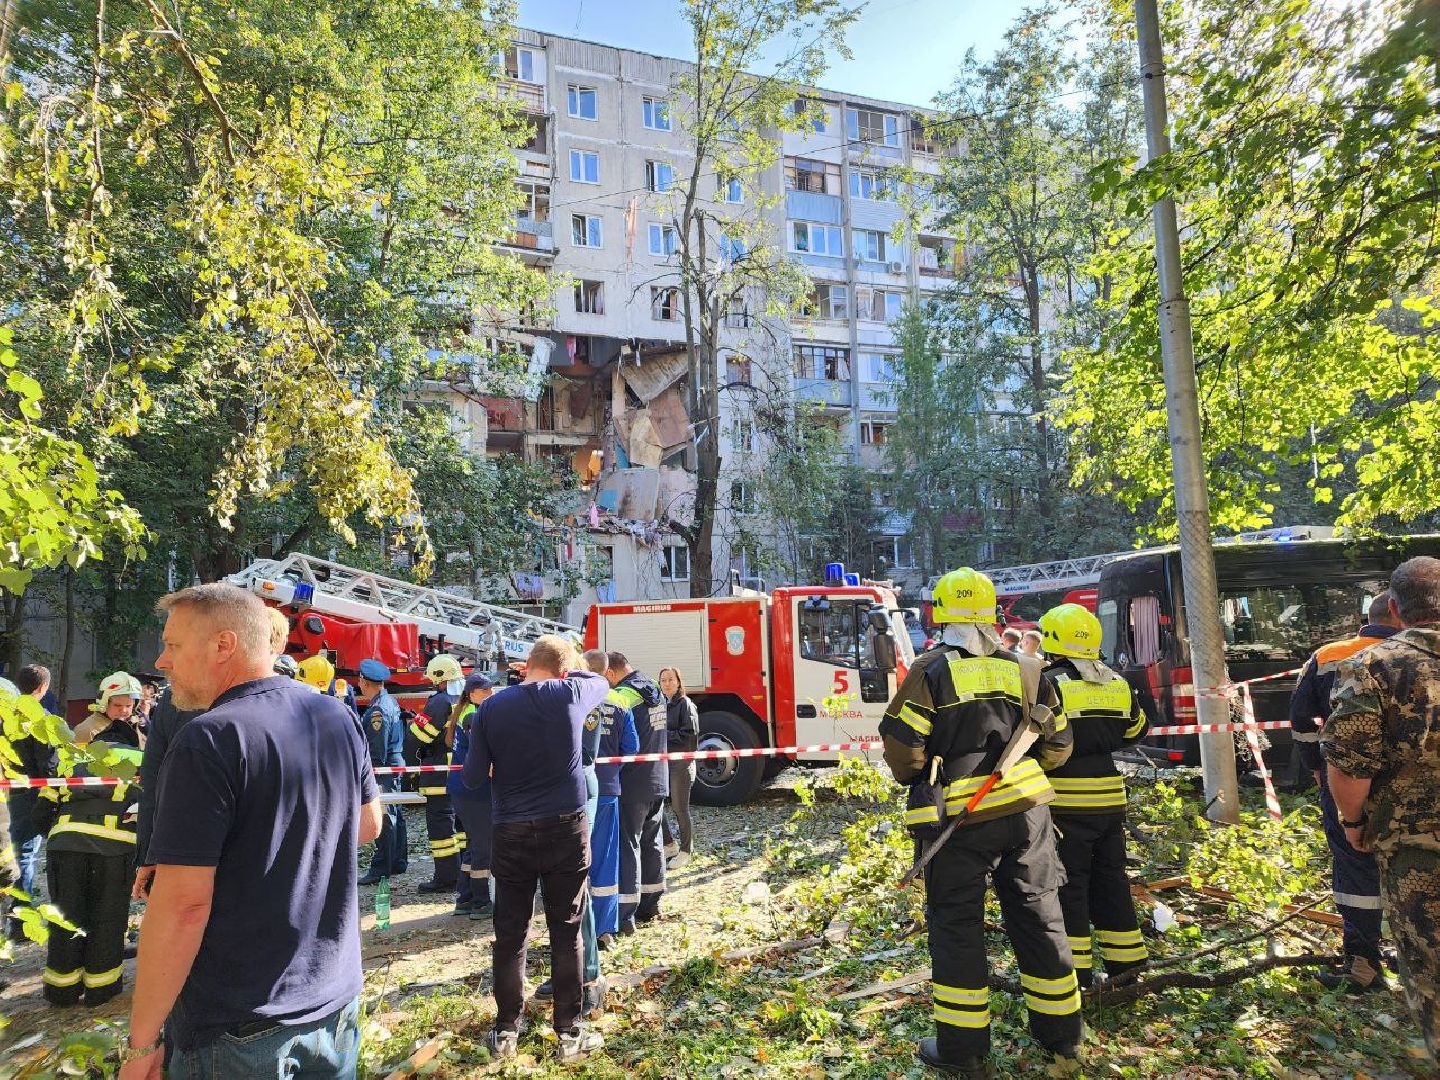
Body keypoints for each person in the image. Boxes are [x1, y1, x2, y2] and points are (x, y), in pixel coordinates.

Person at [118, 582, 382, 1080]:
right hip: (334, 1002)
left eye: (173, 645)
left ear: (224, 646)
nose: (161, 662)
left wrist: (141, 1046)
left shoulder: (209, 739)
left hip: (240, 1026)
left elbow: (182, 907)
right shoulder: (338, 716)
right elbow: (368, 824)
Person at [880, 568, 1080, 1079]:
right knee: (1040, 916)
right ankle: (1061, 1035)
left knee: (957, 928)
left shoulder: (931, 671)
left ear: (941, 614)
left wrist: (928, 770)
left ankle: (963, 1052)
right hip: (1029, 813)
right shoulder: (1028, 668)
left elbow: (904, 749)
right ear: (993, 615)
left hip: (959, 823)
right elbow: (1058, 743)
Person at [464, 635, 610, 1063]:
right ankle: (568, 1032)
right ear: (564, 670)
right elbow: (596, 676)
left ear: (527, 665)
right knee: (566, 930)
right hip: (565, 825)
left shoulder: (491, 706)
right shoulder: (571, 691)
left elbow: (473, 777)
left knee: (510, 933)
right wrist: (565, 670)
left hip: (511, 830)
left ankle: (506, 1028)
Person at [1324, 556, 1440, 1064]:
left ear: (1395, 609)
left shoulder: (1373, 666)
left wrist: (1354, 824)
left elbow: (1349, 767)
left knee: (1432, 969)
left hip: (1420, 850)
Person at [1289, 590, 1400, 993]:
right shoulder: (1424, 655)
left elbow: (1301, 722)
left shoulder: (1329, 656)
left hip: (1348, 782)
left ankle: (1363, 964)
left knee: (1356, 868)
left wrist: (1318, 770)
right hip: (1417, 788)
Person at [1038, 604, 1151, 988]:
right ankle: (1129, 968)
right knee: (1112, 883)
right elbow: (1136, 730)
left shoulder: (1049, 683)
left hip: (1066, 803)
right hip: (1110, 802)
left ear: (1053, 642)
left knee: (1070, 887)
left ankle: (1077, 975)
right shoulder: (1117, 683)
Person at [37, 733, 142, 1006]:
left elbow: (40, 813)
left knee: (65, 917)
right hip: (115, 849)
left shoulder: (68, 759)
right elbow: (147, 809)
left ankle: (61, 991)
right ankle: (101, 990)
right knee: (107, 919)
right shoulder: (140, 760)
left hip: (65, 846)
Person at [609, 653, 666, 932]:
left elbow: (618, 739)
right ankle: (651, 903)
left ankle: (625, 915)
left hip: (632, 782)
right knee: (651, 841)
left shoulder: (622, 695)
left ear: (611, 672)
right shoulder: (654, 686)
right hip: (658, 777)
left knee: (628, 845)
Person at [586, 649, 638, 951]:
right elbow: (631, 748)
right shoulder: (620, 701)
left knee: (573, 861)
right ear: (608, 672)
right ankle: (604, 929)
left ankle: (576, 927)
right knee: (605, 860)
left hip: (573, 791)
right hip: (606, 790)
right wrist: (613, 771)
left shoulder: (570, 698)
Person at [8, 664, 59, 940]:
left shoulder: (6, 715)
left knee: (15, 852)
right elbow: (49, 763)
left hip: (9, 792)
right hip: (31, 794)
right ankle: (20, 918)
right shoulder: (42, 719)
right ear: (43, 688)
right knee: (26, 855)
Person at [408, 654, 465, 894]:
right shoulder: (466, 699)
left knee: (441, 831)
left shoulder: (439, 703)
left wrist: (411, 768)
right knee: (462, 830)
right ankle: (463, 874)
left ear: (439, 677)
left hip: (439, 776)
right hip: (464, 776)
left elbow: (416, 738)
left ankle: (446, 878)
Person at [448, 671, 495, 917]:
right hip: (473, 791)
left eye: (491, 689)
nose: (490, 694)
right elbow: (479, 760)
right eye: (485, 690)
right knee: (484, 847)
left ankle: (464, 898)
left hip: (464, 790)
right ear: (472, 693)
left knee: (474, 844)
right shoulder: (473, 716)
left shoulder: (469, 713)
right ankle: (480, 902)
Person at [357, 659, 409, 886]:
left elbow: (377, 747)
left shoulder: (377, 710)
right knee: (395, 813)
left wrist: (371, 772)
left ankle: (381, 868)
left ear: (365, 682)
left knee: (385, 817)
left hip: (383, 768)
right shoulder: (388, 701)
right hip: (393, 765)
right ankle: (397, 861)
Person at [658, 666, 699, 870]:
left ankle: (686, 851)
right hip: (664, 762)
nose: (666, 683)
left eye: (670, 680)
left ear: (678, 682)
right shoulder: (661, 704)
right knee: (656, 803)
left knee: (680, 808)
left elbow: (689, 738)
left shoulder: (686, 705)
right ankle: (669, 844)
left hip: (681, 763)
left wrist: (663, 735)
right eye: (663, 680)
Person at [73, 672, 143, 749]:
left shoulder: (135, 725)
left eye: (128, 706)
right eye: (117, 705)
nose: (123, 710)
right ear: (104, 704)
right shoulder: (87, 731)